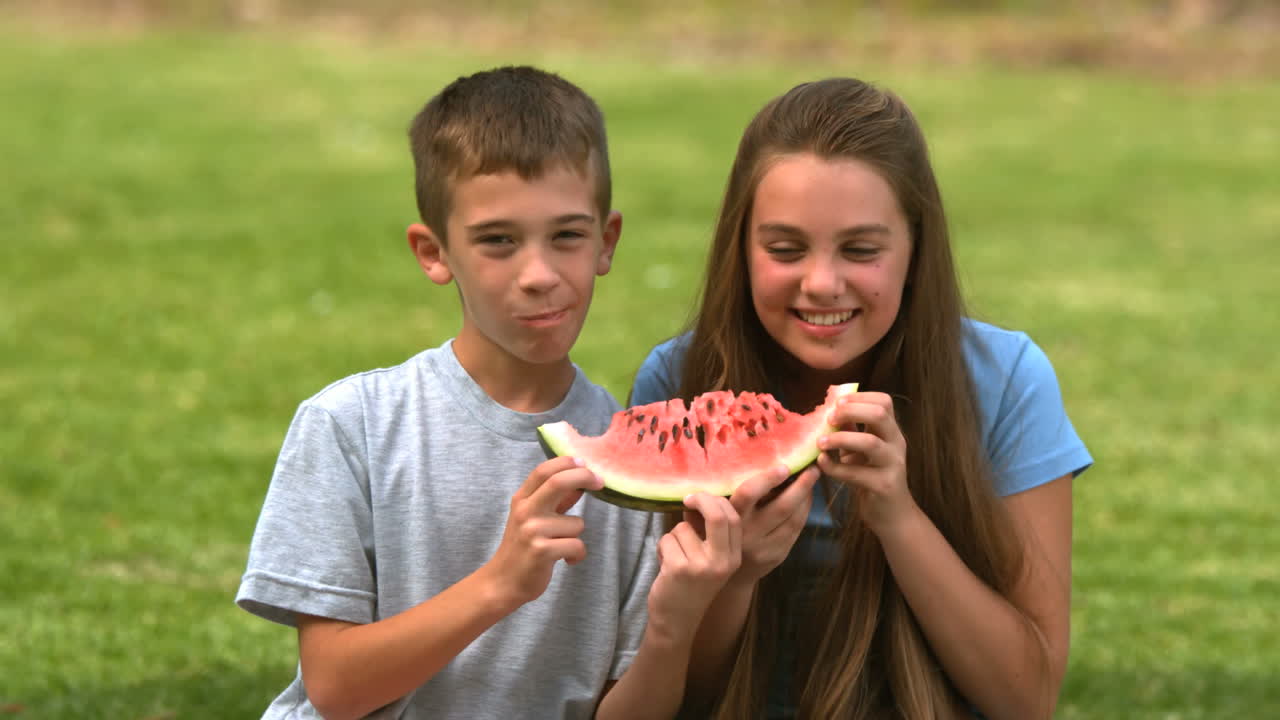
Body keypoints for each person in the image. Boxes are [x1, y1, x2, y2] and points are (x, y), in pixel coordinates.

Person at [235, 65, 758, 720]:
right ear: (434, 253)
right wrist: (499, 585)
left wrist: (674, 626)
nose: (538, 274)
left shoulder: (634, 475)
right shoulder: (351, 425)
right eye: (498, 241)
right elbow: (335, 688)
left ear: (606, 242)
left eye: (567, 235)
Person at [630, 77, 1093, 720]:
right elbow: (683, 700)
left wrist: (898, 518)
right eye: (785, 249)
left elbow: (1027, 698)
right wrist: (736, 577)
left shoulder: (1007, 381)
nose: (822, 283)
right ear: (741, 248)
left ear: (915, 249)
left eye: (861, 250)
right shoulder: (679, 383)